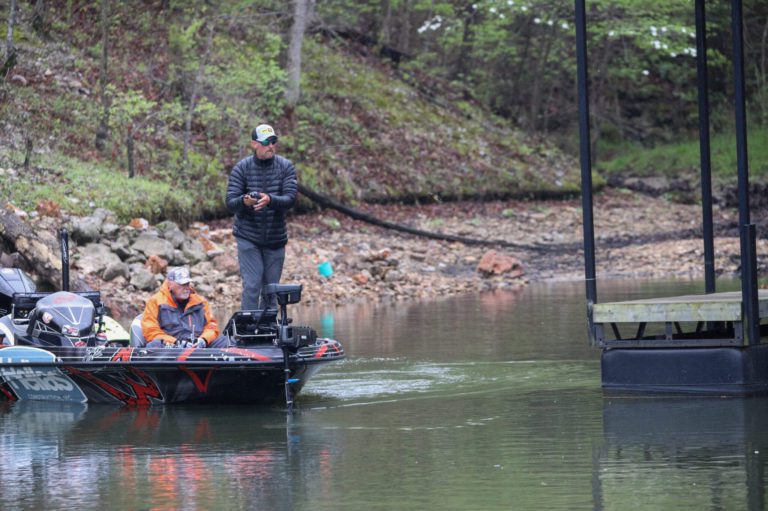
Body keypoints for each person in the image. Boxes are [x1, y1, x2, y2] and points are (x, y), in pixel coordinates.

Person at [225, 123, 297, 310]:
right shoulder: (241, 168)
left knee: (271, 290)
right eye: (266, 142)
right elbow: (230, 202)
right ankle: (248, 330)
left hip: (275, 238)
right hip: (248, 237)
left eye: (273, 141)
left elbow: (290, 199)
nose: (270, 146)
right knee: (252, 285)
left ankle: (270, 330)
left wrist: (270, 200)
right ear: (254, 144)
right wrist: (245, 201)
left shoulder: (286, 167)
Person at [141, 266, 229, 348]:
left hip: (198, 348)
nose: (186, 288)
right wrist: (176, 342)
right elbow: (150, 331)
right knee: (154, 345)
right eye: (182, 284)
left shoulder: (201, 302)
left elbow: (211, 327)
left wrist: (203, 340)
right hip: (170, 348)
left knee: (226, 341)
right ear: (170, 284)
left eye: (187, 284)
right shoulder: (155, 302)